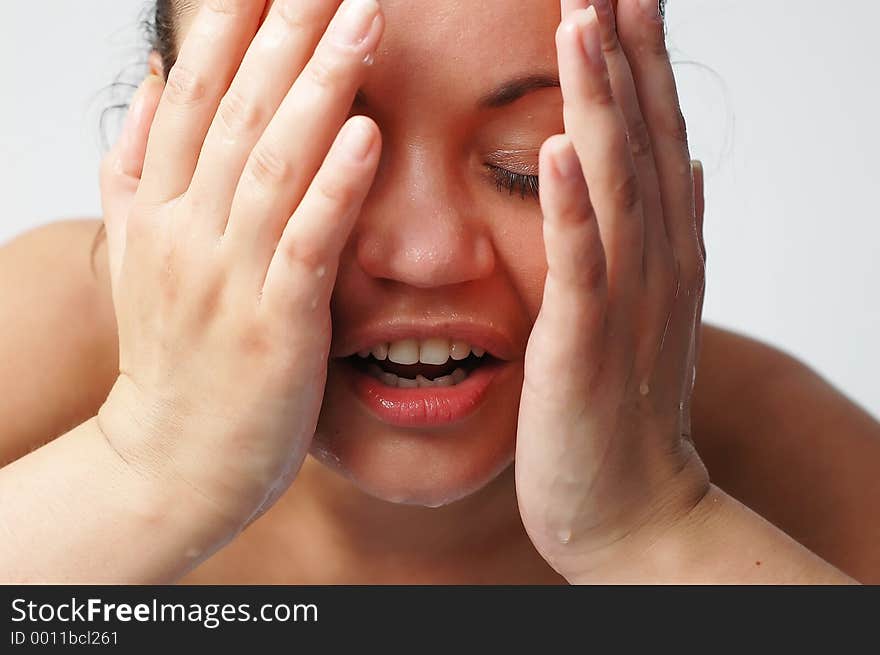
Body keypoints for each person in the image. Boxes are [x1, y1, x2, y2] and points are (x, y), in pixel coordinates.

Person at [0, 0, 877, 584]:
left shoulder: (789, 471)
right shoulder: (42, 347)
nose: (424, 255)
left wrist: (655, 524)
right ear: (167, 141)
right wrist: (148, 461)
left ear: (644, 160)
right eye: (322, 151)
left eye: (525, 165)